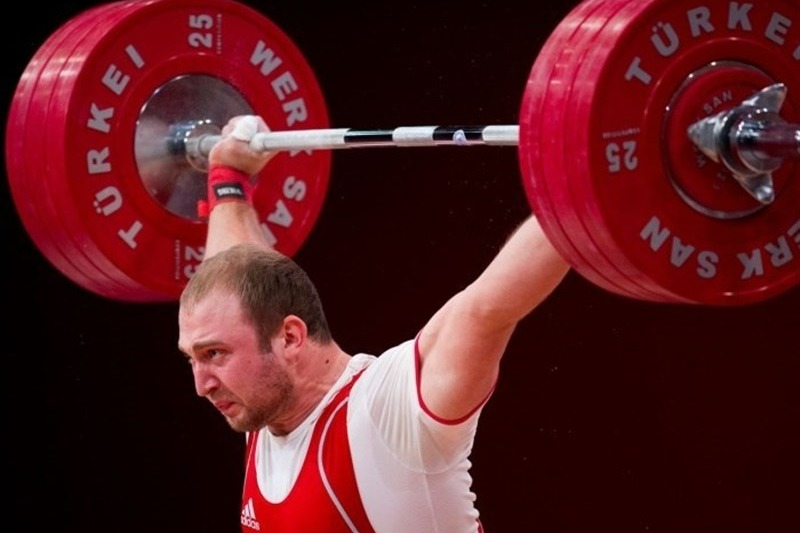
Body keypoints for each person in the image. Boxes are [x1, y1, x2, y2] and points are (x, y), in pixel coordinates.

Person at [177, 115, 571, 532]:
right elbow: (235, 277)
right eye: (194, 359)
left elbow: (487, 309)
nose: (202, 385)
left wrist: (585, 185)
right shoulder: (263, 410)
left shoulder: (386, 410)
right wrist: (228, 179)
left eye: (214, 355)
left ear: (290, 338)